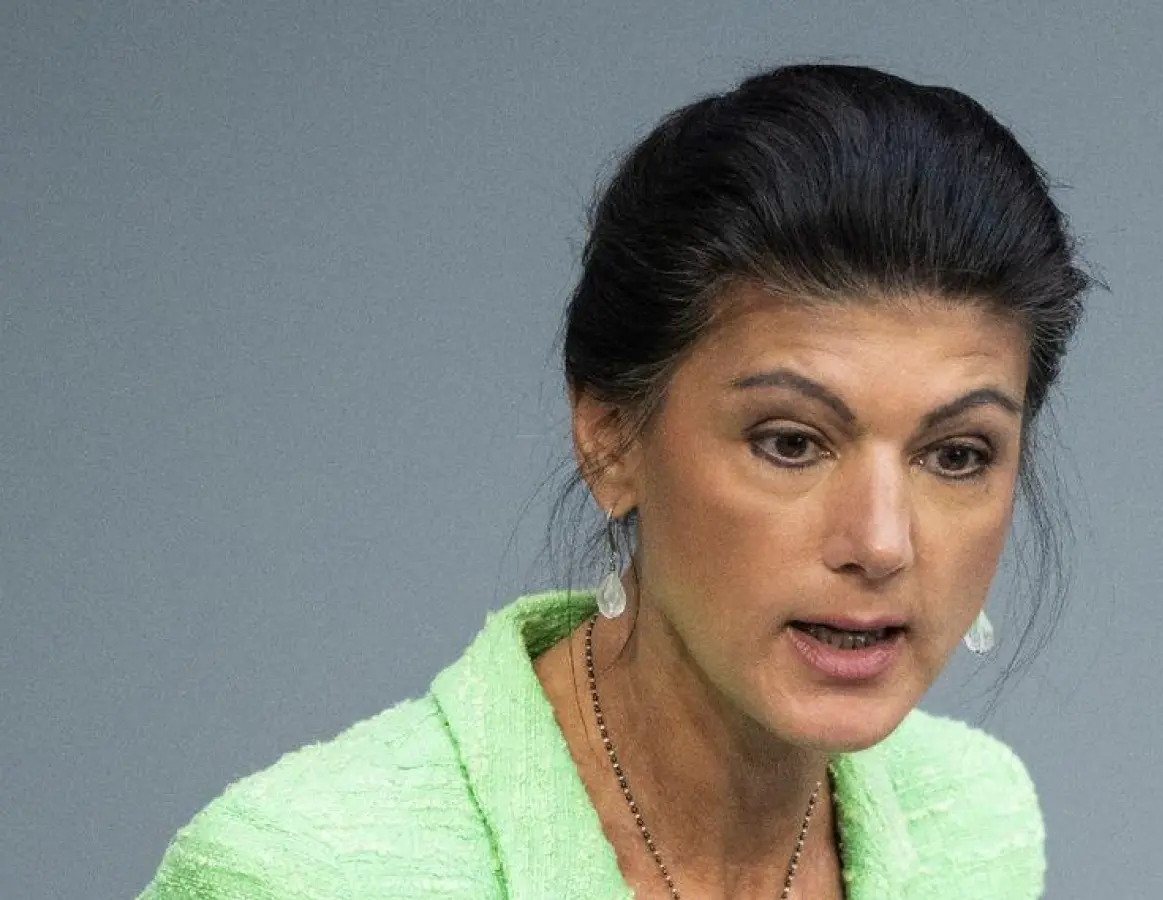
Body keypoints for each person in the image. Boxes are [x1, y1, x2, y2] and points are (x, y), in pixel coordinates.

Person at [140, 63, 1090, 899]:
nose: (882, 542)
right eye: (792, 443)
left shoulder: (973, 826)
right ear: (609, 440)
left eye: (957, 455)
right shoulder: (300, 877)